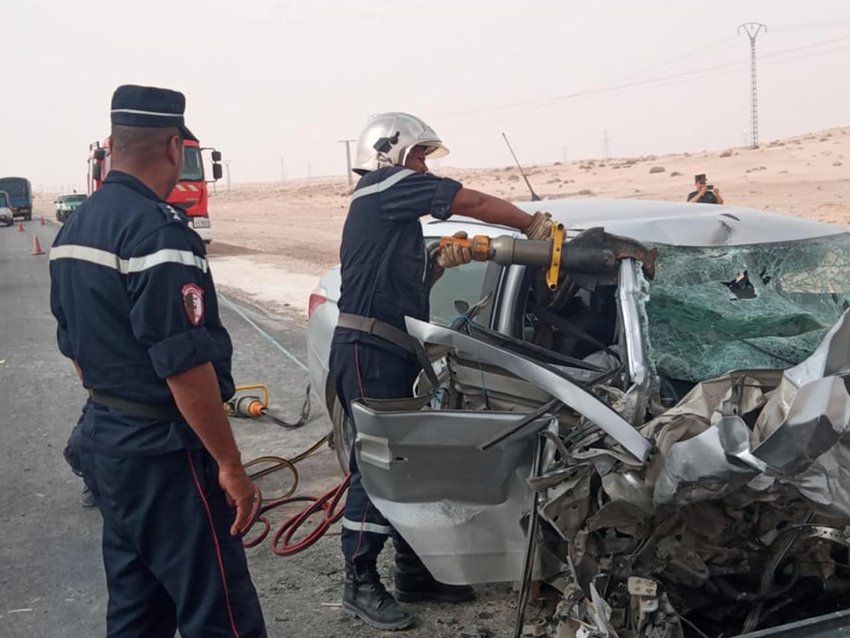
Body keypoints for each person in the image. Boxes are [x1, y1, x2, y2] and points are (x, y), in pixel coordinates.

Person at [49, 84, 266, 638]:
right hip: (166, 456)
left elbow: (75, 348)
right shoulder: (158, 231)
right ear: (174, 146)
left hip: (108, 441)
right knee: (220, 614)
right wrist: (230, 465)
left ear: (114, 145)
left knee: (137, 609)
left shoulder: (76, 227)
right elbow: (184, 366)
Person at [330, 111, 553, 630]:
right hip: (368, 349)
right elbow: (467, 201)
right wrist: (530, 224)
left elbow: (396, 288)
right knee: (377, 464)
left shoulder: (390, 215)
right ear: (389, 153)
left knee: (407, 463)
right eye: (420, 157)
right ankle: (358, 581)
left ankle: (415, 572)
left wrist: (435, 266)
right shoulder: (384, 187)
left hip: (388, 348)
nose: (425, 168)